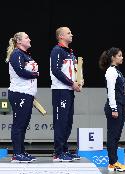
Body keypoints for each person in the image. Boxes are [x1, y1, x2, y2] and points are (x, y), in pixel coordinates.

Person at [50, 27, 82, 162]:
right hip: (60, 91)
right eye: (69, 33)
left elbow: (74, 70)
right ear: (61, 36)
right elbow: (56, 71)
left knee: (68, 122)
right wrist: (71, 83)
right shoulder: (57, 50)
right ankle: (58, 153)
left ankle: (64, 149)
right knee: (61, 122)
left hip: (68, 90)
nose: (72, 34)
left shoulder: (70, 53)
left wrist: (79, 80)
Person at [6, 32, 39, 163]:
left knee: (24, 124)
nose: (29, 39)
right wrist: (35, 74)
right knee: (19, 124)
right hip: (19, 93)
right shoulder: (16, 54)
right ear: (19, 41)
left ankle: (21, 151)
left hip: (27, 93)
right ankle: (17, 154)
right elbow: (20, 71)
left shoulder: (25, 54)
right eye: (27, 37)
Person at [98, 47, 125, 172]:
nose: (122, 58)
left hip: (120, 105)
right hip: (114, 107)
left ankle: (115, 161)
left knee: (117, 136)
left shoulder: (118, 72)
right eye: (120, 55)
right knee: (112, 135)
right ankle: (112, 163)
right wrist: (114, 108)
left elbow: (122, 91)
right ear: (113, 57)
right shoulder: (110, 71)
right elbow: (111, 92)